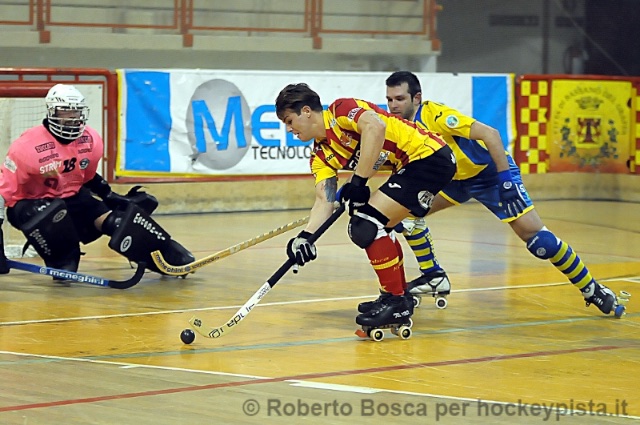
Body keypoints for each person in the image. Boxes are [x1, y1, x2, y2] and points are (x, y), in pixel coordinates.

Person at [383, 70, 624, 316]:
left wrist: (505, 179)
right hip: (452, 180)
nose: (393, 105)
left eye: (400, 99)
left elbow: (491, 134)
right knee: (405, 215)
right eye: (390, 99)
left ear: (417, 98)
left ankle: (592, 289)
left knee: (539, 241)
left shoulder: (435, 115)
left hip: (488, 175)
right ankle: (433, 276)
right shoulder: (399, 127)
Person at [275, 83, 456, 331]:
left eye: (289, 121)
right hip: (410, 167)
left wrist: (359, 181)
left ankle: (396, 302)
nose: (288, 129)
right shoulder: (320, 156)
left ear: (306, 111)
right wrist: (306, 237)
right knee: (372, 227)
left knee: (366, 225)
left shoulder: (341, 109)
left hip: (429, 157)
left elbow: (375, 127)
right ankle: (397, 295)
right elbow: (324, 200)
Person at [0, 83, 194, 277]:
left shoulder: (90, 139)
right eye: (66, 111)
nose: (73, 117)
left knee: (118, 221)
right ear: (52, 112)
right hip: (30, 205)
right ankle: (62, 260)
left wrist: (109, 195)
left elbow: (87, 176)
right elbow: (3, 190)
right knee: (48, 218)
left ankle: (168, 255)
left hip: (71, 198)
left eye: (76, 111)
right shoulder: (26, 147)